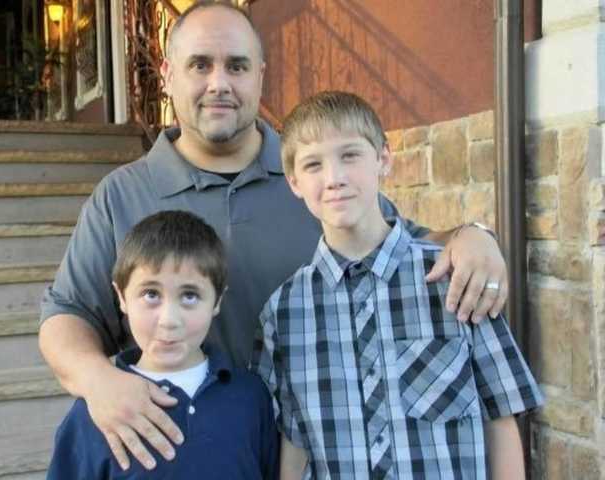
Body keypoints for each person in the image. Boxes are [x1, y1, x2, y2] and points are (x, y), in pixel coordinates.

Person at [39, 1, 509, 471]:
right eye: (200, 64)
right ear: (167, 74)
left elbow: (405, 242)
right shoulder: (121, 195)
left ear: (260, 76)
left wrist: (474, 234)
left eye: (237, 66)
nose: (219, 83)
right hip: (175, 449)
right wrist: (98, 381)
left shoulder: (313, 179)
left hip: (308, 453)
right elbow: (68, 314)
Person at [251, 91, 544, 479]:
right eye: (313, 164)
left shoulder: (452, 279)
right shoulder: (284, 311)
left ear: (383, 159)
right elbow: (294, 442)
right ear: (293, 182)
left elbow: (501, 420)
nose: (334, 178)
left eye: (350, 155)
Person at [47, 211, 278, 479]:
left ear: (216, 301)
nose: (169, 321)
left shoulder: (251, 398)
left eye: (190, 296)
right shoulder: (95, 413)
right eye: (151, 294)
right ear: (121, 296)